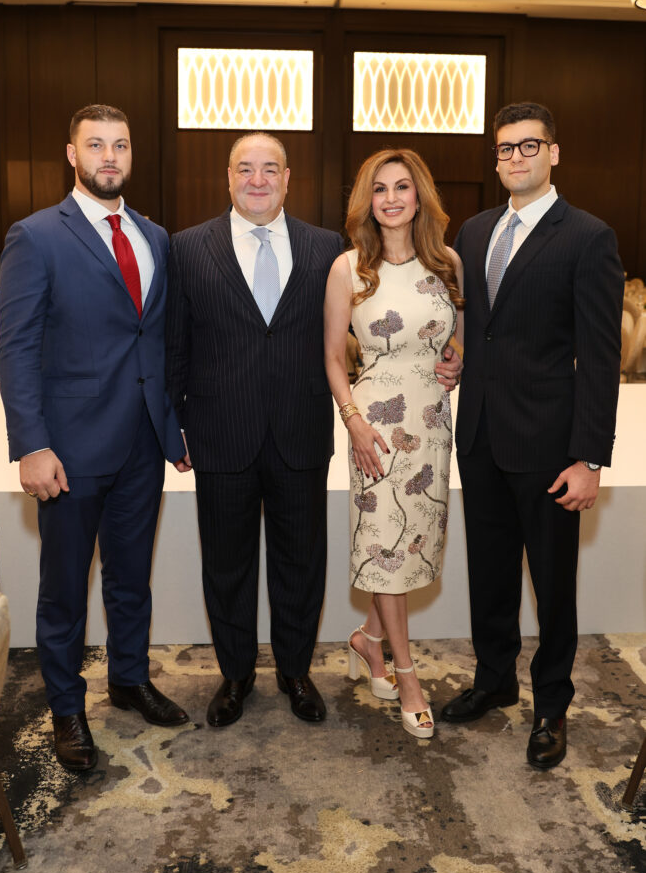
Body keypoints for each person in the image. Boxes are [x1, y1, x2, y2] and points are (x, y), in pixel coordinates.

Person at [0, 104, 189, 772]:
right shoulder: (36, 235)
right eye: (96, 145)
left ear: (132, 156)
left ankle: (130, 680)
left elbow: (159, 341)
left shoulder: (156, 237)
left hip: (141, 444)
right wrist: (31, 444)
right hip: (69, 449)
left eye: (121, 145)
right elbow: (17, 349)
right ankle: (66, 709)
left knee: (131, 579)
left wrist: (174, 426)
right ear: (72, 155)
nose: (110, 156)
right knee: (64, 589)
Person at [441, 101, 623, 769]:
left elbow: (600, 357)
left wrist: (588, 458)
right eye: (503, 150)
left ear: (553, 152)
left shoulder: (587, 237)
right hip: (481, 435)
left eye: (527, 146)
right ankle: (493, 682)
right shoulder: (473, 230)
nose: (513, 158)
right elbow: (476, 326)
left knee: (552, 586)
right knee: (488, 575)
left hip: (548, 446)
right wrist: (455, 355)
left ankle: (551, 706)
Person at [165, 132, 343, 727]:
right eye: (247, 169)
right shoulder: (188, 248)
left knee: (301, 560)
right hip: (220, 431)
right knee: (227, 563)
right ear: (228, 176)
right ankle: (235, 675)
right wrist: (175, 424)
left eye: (271, 169)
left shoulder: (327, 248)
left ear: (289, 178)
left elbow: (354, 330)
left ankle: (295, 671)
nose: (258, 180)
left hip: (300, 428)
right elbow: (175, 348)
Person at [323, 148, 464, 740]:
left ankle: (368, 640)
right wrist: (354, 423)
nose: (390, 198)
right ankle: (406, 676)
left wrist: (458, 361)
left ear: (419, 195)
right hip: (374, 429)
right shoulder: (348, 267)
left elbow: (460, 336)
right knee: (388, 550)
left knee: (413, 545)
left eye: (402, 187)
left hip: (431, 425)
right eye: (379, 188)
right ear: (367, 201)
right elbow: (332, 357)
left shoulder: (447, 262)